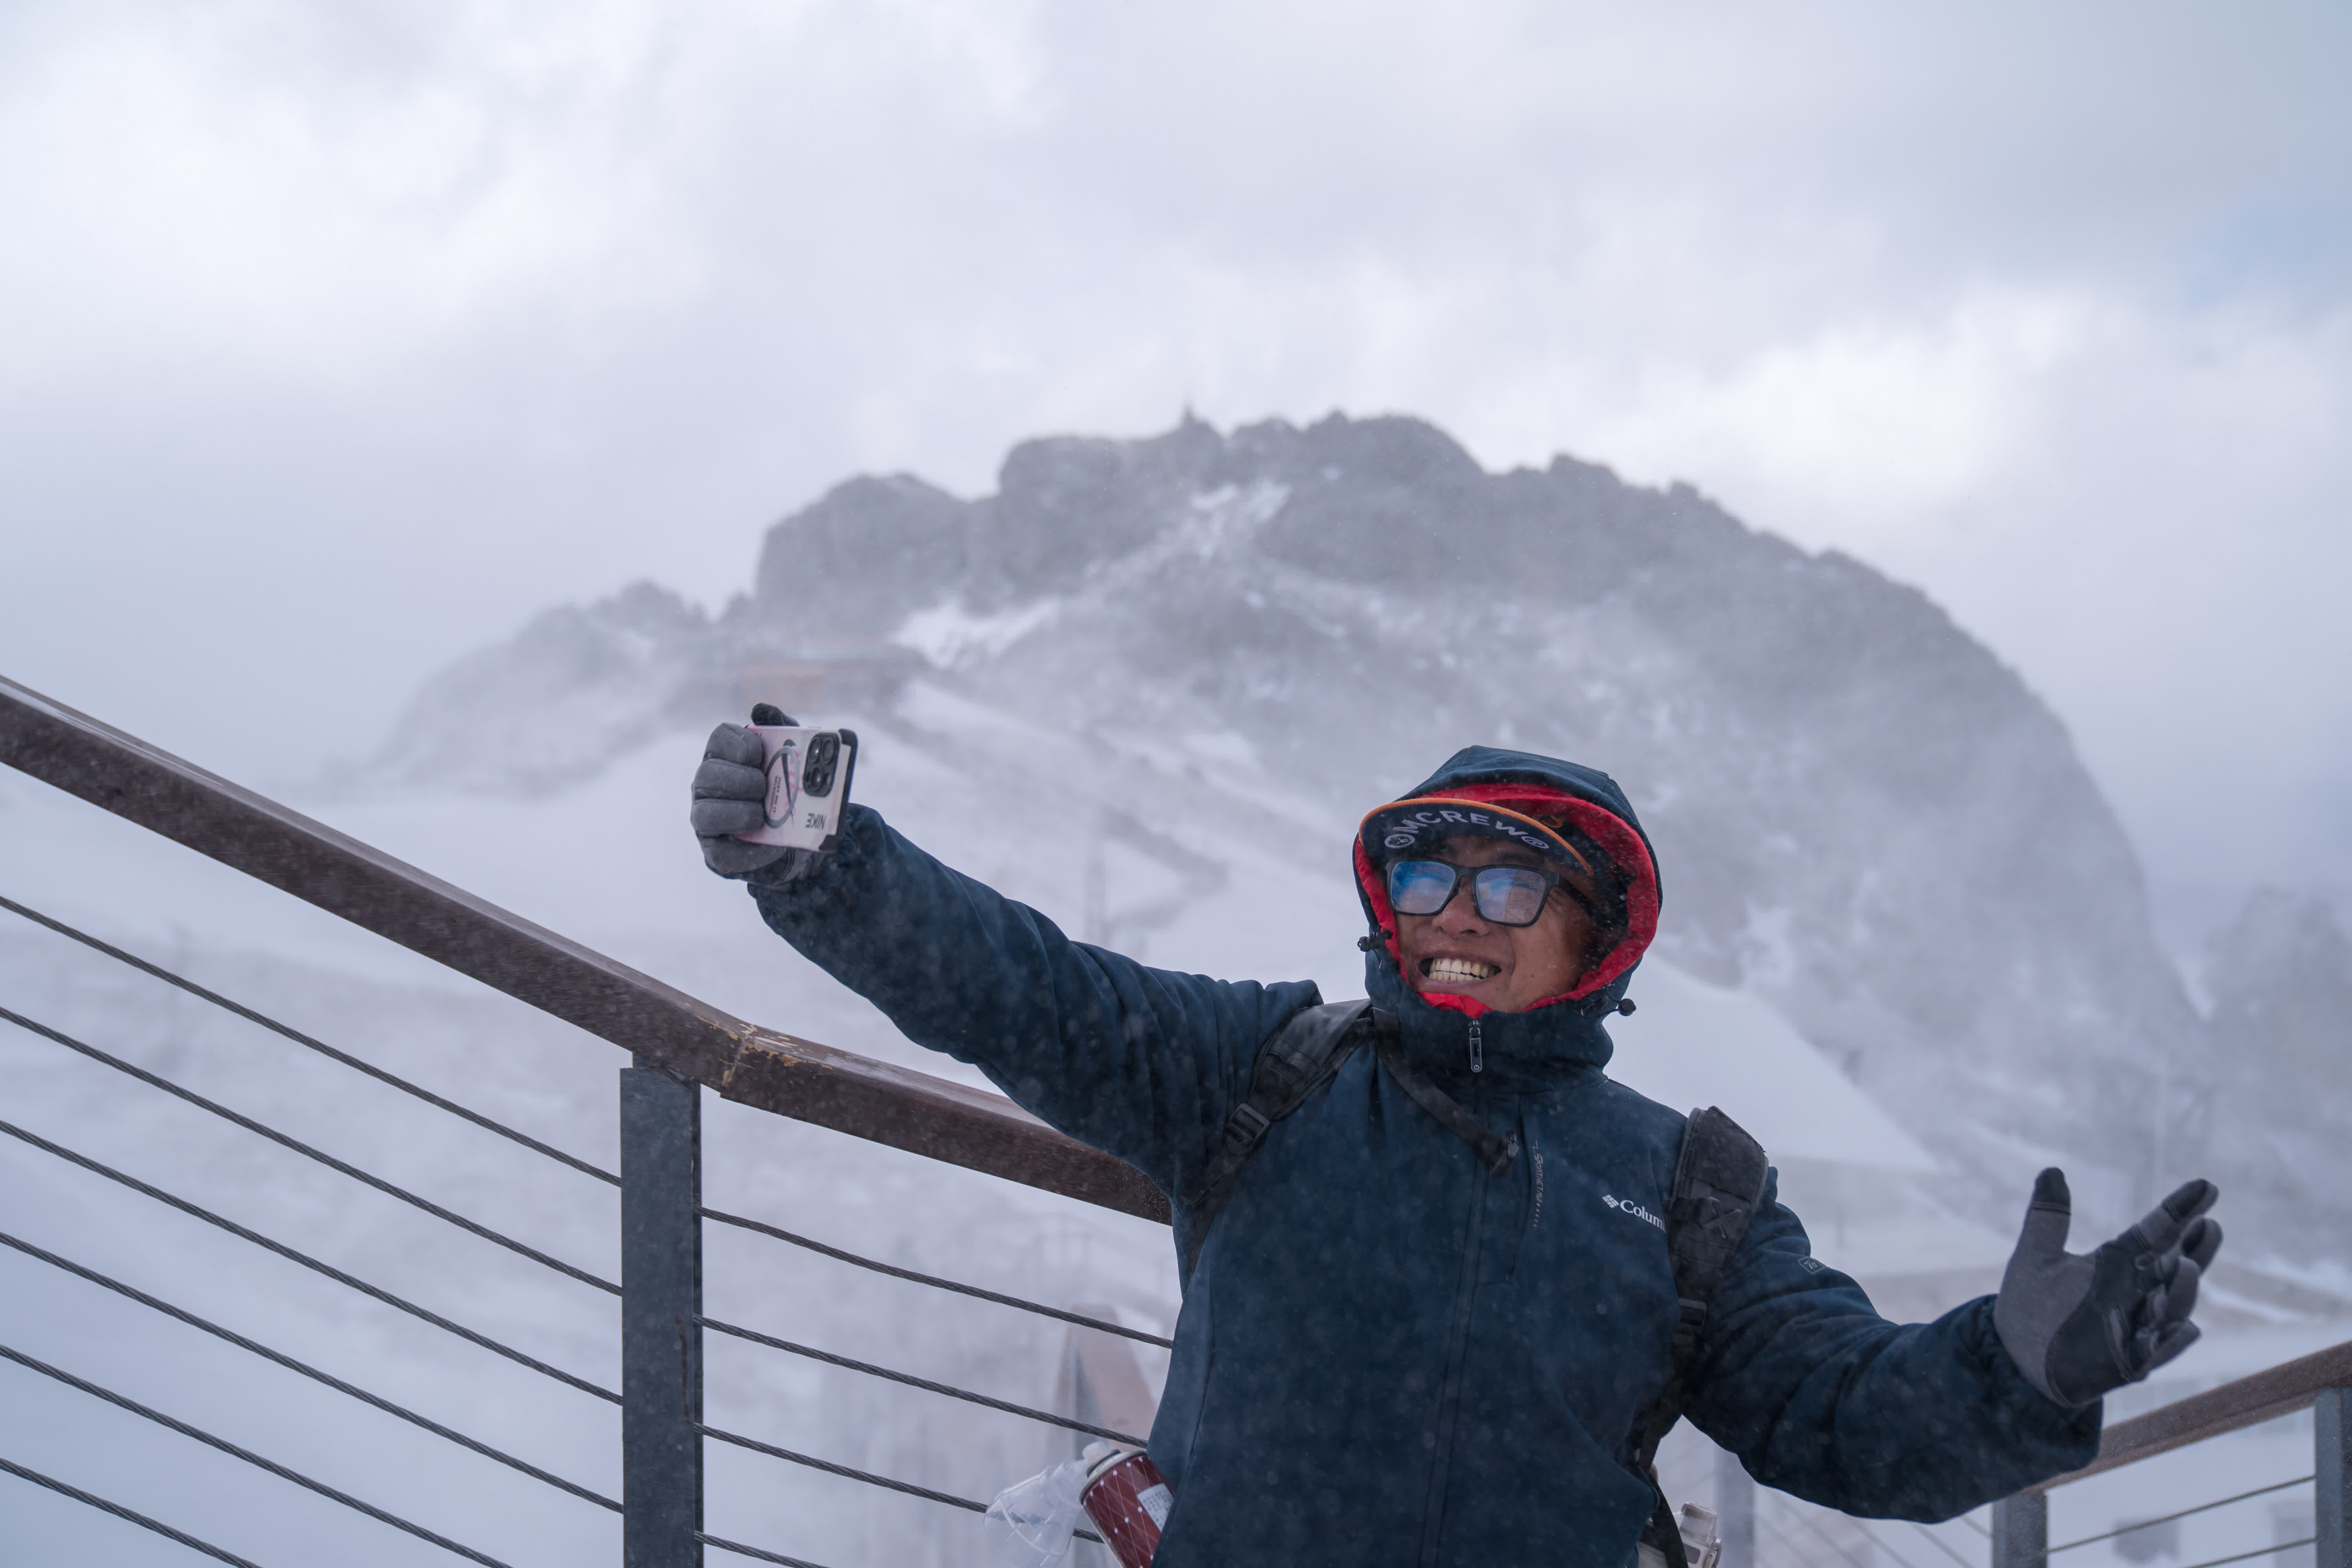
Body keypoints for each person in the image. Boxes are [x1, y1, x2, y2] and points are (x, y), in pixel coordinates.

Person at [691, 726, 2222, 1568]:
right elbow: (1022, 985)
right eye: (1427, 870)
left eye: (1508, 890)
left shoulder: (1689, 1187)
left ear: (1595, 938)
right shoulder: (1266, 1070)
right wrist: (828, 866)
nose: (1452, 914)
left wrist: (2016, 1374)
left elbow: (1839, 1414)